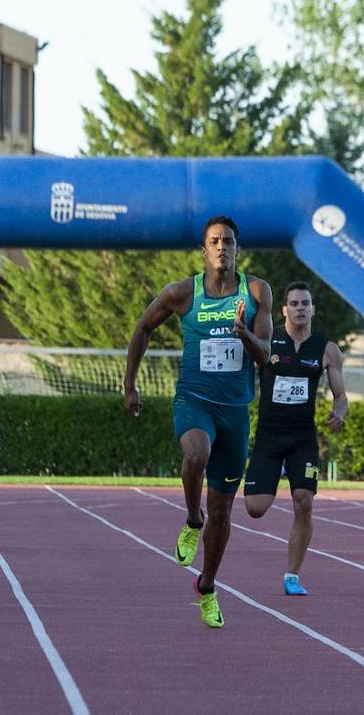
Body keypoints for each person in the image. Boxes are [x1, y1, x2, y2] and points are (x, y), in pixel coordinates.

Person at [124, 216, 273, 629]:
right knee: (195, 453)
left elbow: (264, 357)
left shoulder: (257, 291)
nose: (222, 246)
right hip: (194, 400)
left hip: (236, 410)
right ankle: (192, 518)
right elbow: (142, 327)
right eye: (214, 241)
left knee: (224, 513)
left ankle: (207, 586)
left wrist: (243, 333)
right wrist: (129, 385)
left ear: (237, 248)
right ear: (203, 251)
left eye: (228, 240)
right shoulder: (181, 293)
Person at [243, 282, 347, 596]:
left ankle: (292, 575)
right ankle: (270, 478)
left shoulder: (326, 349)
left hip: (303, 440)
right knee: (255, 508)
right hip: (268, 438)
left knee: (304, 503)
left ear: (312, 309)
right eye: (295, 304)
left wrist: (339, 412)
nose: (301, 308)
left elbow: (340, 396)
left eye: (306, 303)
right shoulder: (268, 341)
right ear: (284, 309)